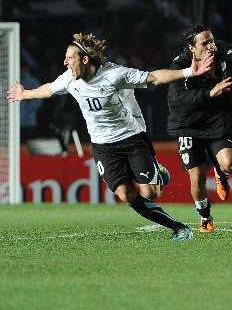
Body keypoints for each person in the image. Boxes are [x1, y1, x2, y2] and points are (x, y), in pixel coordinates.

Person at [6, 32, 214, 241]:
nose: (65, 62)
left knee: (151, 193)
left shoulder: (114, 74)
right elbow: (49, 89)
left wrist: (189, 71)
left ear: (84, 59)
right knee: (125, 194)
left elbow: (154, 78)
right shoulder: (69, 79)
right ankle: (177, 227)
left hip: (132, 139)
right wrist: (25, 94)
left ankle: (158, 173)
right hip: (103, 146)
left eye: (70, 58)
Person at [167, 24, 232, 233]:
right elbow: (176, 99)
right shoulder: (181, 65)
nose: (212, 46)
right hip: (188, 125)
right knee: (198, 177)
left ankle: (220, 173)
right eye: (205, 43)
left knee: (230, 165)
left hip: (218, 120)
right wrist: (210, 93)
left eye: (212, 40)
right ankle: (204, 216)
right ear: (191, 48)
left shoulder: (226, 52)